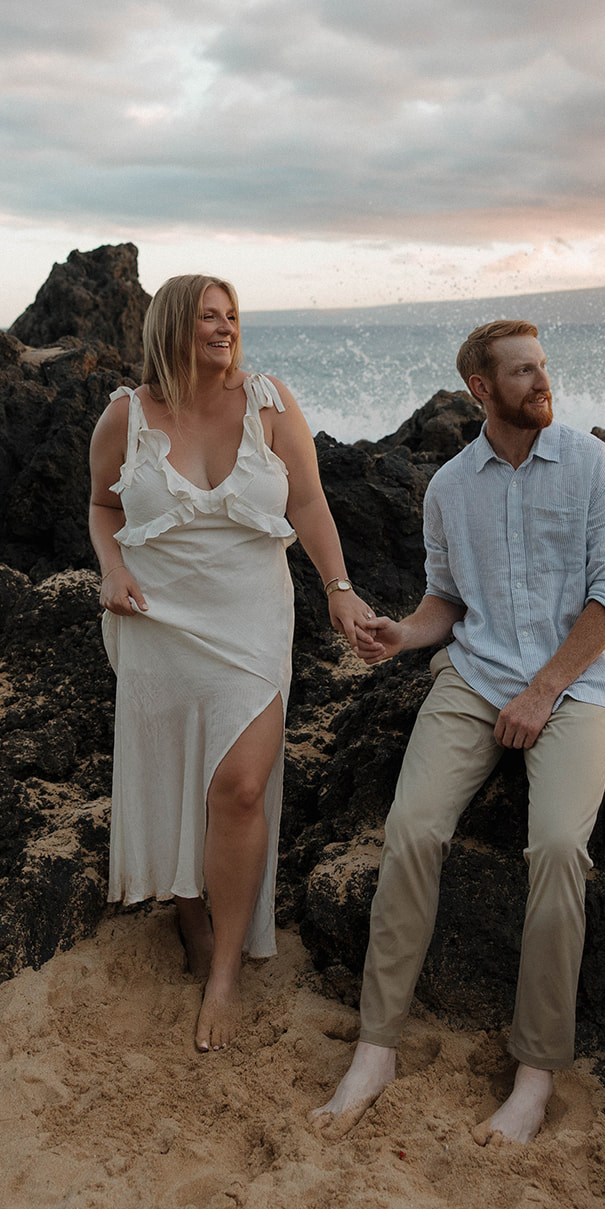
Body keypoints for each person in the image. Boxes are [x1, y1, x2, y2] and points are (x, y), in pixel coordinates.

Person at [311, 319, 605, 1146]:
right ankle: (376, 1047)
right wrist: (402, 636)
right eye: (521, 371)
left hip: (574, 683)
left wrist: (543, 691)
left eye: (542, 366)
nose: (540, 381)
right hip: (474, 674)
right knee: (412, 829)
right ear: (480, 390)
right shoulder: (450, 488)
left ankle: (534, 1072)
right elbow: (445, 604)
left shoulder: (595, 467)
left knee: (559, 846)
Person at [89, 274, 372, 1054]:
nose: (224, 328)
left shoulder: (270, 403)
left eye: (231, 317)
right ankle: (189, 904)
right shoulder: (125, 414)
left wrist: (338, 590)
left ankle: (224, 973)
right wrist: (110, 570)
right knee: (181, 770)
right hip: (158, 618)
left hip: (249, 616)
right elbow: (103, 506)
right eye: (208, 317)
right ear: (173, 327)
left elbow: (308, 503)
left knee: (240, 786)